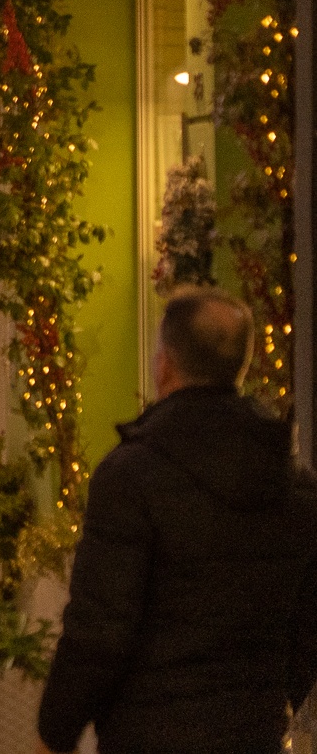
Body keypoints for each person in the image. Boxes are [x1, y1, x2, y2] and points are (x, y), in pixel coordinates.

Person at [37, 287, 317, 754]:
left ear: (164, 364)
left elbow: (100, 628)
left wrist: (55, 732)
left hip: (148, 733)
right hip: (254, 735)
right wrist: (268, 704)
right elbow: (307, 629)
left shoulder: (130, 477)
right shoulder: (296, 488)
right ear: (242, 367)